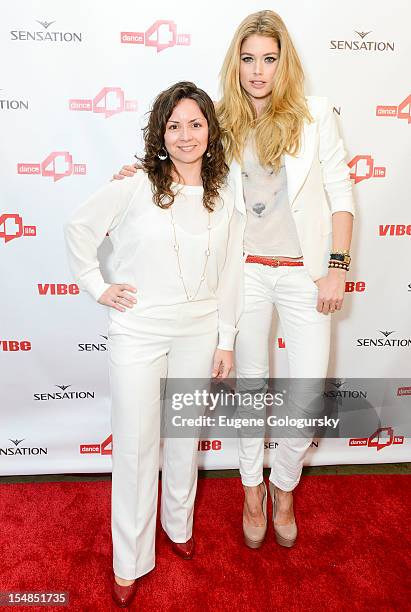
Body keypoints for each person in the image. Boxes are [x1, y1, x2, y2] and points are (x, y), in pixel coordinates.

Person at [113, 10, 355, 551]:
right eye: (248, 59)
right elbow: (183, 161)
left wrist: (336, 268)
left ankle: (283, 487)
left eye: (269, 59)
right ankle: (251, 490)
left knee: (308, 392)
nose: (259, 71)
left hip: (303, 276)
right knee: (250, 389)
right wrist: (135, 172)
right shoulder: (222, 118)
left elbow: (341, 196)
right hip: (244, 275)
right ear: (235, 63)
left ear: (284, 62)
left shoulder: (316, 116)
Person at [65, 81, 245, 607]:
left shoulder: (224, 195)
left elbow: (232, 273)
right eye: (173, 125)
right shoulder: (136, 183)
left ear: (210, 131)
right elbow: (78, 228)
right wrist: (99, 287)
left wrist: (227, 339)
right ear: (159, 133)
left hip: (200, 329)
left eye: (195, 124)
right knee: (137, 447)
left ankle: (179, 527)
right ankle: (130, 559)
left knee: (183, 439)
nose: (185, 135)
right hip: (139, 330)